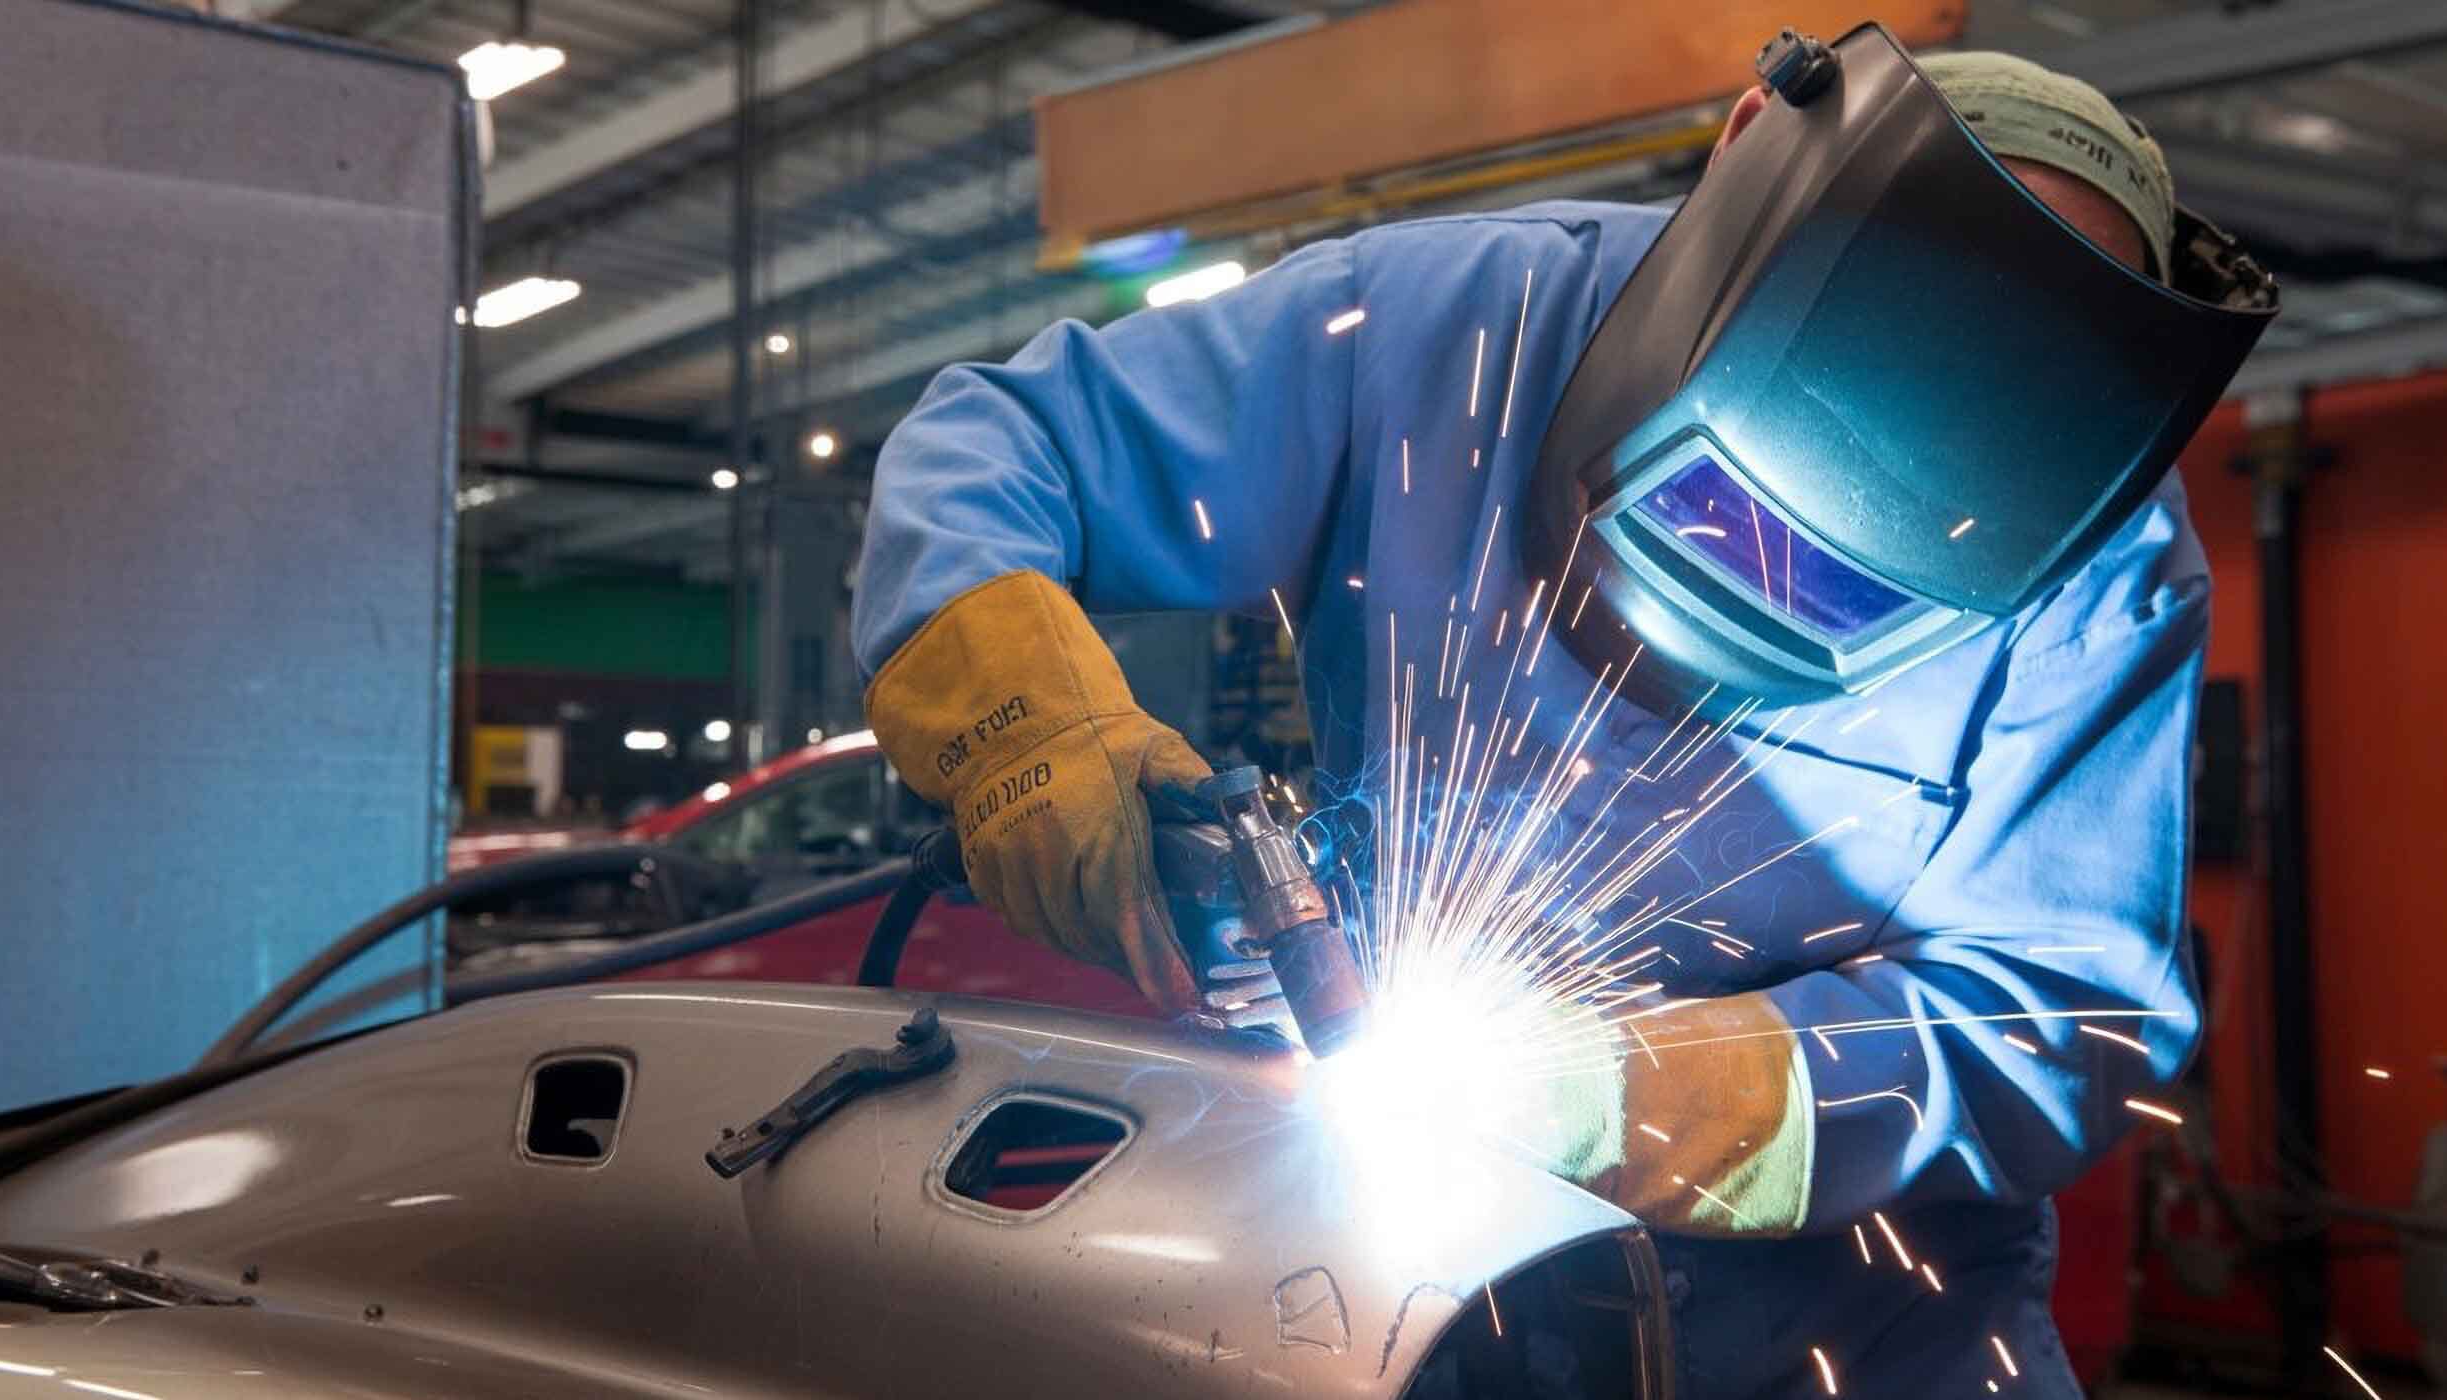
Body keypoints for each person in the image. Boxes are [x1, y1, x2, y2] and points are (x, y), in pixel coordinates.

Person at [852, 26, 2274, 1398]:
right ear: (1752, 157)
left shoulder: (2100, 561)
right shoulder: (1444, 325)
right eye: (1928, 292)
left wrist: (1638, 1093)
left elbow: (2059, 1019)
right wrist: (1031, 732)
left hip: (1865, 1351)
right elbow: (1001, 441)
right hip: (1427, 1313)